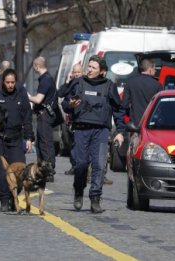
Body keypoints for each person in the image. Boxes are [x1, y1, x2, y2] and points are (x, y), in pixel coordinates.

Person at [61, 55, 125, 213]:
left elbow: (118, 110)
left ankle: (95, 198)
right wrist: (70, 105)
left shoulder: (110, 86)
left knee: (99, 165)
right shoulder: (78, 83)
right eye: (89, 66)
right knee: (81, 164)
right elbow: (64, 102)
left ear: (102, 71)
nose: (89, 70)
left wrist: (120, 131)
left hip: (101, 131)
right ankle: (78, 191)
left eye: (93, 67)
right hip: (81, 129)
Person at [0, 68, 34, 212]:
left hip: (16, 138)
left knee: (21, 170)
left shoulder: (21, 95)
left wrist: (29, 138)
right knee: (2, 171)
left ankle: (14, 197)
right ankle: (4, 200)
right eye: (8, 82)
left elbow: (27, 118)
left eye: (13, 82)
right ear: (3, 82)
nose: (10, 85)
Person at [29, 56, 58, 182]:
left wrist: (27, 96)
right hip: (43, 114)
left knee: (46, 143)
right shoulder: (46, 78)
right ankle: (42, 170)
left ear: (37, 66)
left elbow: (38, 99)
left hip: (45, 115)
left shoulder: (45, 80)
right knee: (41, 143)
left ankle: (49, 170)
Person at [58, 64, 83, 176]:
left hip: (82, 118)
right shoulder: (72, 84)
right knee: (74, 144)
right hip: (74, 119)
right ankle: (75, 166)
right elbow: (61, 94)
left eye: (79, 72)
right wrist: (68, 81)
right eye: (75, 72)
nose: (77, 74)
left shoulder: (84, 83)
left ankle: (80, 167)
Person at [122, 58, 162, 125]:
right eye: (154, 69)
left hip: (134, 124)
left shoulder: (130, 82)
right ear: (150, 69)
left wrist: (131, 114)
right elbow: (160, 107)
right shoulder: (157, 85)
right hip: (150, 124)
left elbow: (124, 104)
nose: (155, 71)